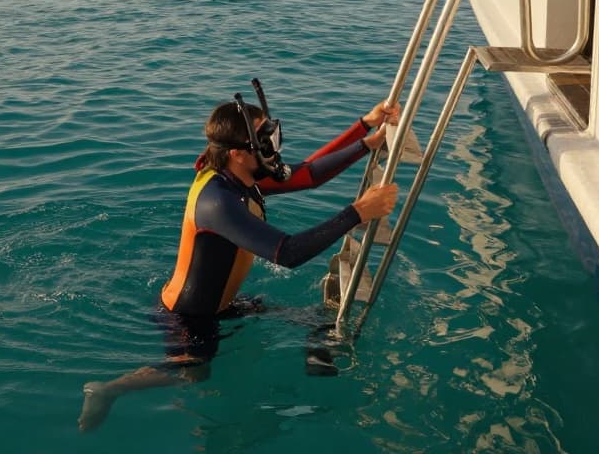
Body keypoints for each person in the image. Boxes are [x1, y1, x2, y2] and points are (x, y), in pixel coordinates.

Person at [78, 80, 400, 432]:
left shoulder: (245, 176)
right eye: (266, 143)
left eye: (273, 136)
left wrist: (365, 133)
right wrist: (357, 212)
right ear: (238, 153)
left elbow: (308, 174)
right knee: (194, 373)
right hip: (190, 316)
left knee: (312, 320)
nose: (274, 150)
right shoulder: (217, 201)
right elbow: (289, 253)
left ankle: (318, 378)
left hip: (224, 303)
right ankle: (109, 389)